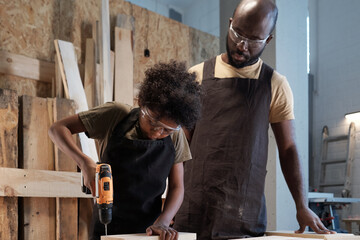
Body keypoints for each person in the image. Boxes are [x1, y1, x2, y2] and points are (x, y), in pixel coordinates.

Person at [173, 0, 336, 239]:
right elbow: (178, 148)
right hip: (193, 211)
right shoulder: (196, 77)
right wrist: (169, 205)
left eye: (253, 40)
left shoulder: (275, 85)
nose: (242, 45)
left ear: (268, 40)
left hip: (244, 213)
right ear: (230, 24)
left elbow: (288, 148)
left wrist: (301, 206)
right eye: (237, 33)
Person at [48, 60, 202, 240]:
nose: (157, 132)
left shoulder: (176, 136)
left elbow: (177, 187)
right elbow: (58, 129)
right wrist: (84, 161)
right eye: (152, 122)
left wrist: (164, 221)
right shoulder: (116, 114)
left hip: (149, 231)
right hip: (107, 225)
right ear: (142, 102)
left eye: (166, 130)